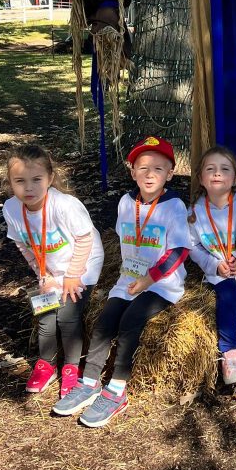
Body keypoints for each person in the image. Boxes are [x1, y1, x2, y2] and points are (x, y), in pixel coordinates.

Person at [52, 136, 189, 426]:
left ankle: (116, 389)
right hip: (128, 279)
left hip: (161, 284)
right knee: (104, 322)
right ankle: (89, 382)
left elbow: (179, 251)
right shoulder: (126, 202)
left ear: (170, 173)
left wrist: (149, 279)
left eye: (158, 168)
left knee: (130, 321)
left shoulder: (174, 206)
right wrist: (135, 278)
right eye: (143, 168)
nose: (149, 174)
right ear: (132, 171)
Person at [3, 144, 104, 398]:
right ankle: (46, 364)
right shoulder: (11, 209)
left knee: (67, 316)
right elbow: (23, 244)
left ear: (50, 178)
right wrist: (44, 275)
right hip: (51, 268)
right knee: (46, 316)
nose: (28, 188)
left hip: (83, 262)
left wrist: (72, 276)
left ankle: (71, 367)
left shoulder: (65, 205)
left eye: (36, 179)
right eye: (20, 181)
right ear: (10, 183)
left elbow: (84, 239)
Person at [188, 146, 236, 397]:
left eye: (224, 169)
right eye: (210, 169)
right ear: (201, 178)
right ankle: (230, 355)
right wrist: (213, 265)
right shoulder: (195, 212)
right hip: (220, 272)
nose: (217, 173)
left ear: (235, 177)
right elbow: (193, 246)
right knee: (229, 295)